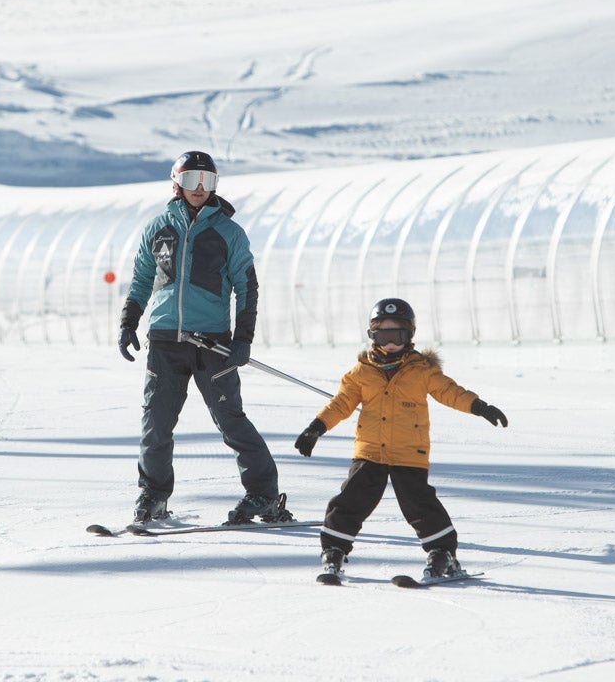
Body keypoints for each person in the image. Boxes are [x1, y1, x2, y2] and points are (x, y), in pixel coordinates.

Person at [118, 150, 293, 525]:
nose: (199, 188)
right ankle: (153, 494)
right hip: (165, 340)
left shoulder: (228, 232)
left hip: (212, 343)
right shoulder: (159, 228)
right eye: (191, 180)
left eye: (207, 181)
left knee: (231, 421)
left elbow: (247, 288)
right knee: (156, 422)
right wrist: (129, 321)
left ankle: (262, 494)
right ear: (176, 183)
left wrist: (242, 338)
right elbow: (143, 278)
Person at [293, 297, 508, 580]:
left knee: (420, 505)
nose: (391, 342)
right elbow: (341, 404)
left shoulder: (421, 370)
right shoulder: (361, 372)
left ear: (410, 335)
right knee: (350, 500)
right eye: (384, 335)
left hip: (409, 451)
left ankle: (442, 553)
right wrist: (316, 427)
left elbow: (449, 391)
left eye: (398, 335)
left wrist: (478, 406)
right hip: (369, 451)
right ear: (372, 335)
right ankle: (334, 549)